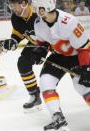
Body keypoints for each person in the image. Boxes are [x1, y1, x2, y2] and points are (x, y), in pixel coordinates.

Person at [32, 0, 90, 130]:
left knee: (82, 86)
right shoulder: (38, 23)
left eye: (38, 7)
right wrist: (40, 50)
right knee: (46, 82)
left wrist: (86, 68)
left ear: (45, 7)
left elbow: (84, 48)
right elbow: (43, 42)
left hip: (77, 56)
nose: (36, 10)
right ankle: (58, 118)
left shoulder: (69, 22)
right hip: (58, 56)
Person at [3, 0, 49, 110]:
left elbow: (53, 31)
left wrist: (45, 50)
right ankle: (34, 96)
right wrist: (13, 41)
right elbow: (18, 33)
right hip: (35, 44)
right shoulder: (15, 17)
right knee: (23, 63)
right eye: (11, 5)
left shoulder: (39, 13)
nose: (12, 8)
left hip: (54, 43)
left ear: (24, 3)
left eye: (14, 5)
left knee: (70, 65)